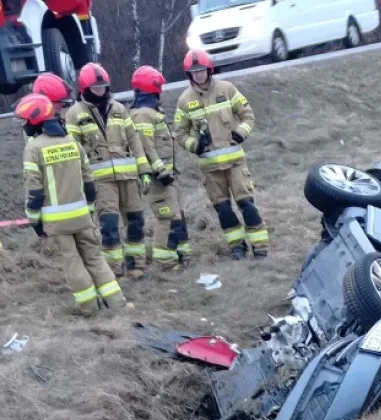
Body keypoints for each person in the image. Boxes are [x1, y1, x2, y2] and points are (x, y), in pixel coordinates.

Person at [17, 92, 127, 315]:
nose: (24, 125)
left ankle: (89, 307)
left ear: (34, 120)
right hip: (82, 216)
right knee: (95, 257)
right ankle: (117, 303)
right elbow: (89, 181)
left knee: (72, 262)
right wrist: (88, 209)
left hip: (56, 222)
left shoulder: (34, 148)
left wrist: (34, 221)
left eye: (25, 121)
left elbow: (35, 191)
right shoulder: (72, 142)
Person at [174, 49, 270, 260]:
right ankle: (237, 246)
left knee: (247, 205)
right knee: (223, 210)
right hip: (210, 169)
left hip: (236, 163)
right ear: (189, 74)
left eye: (201, 70)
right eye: (194, 71)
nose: (198, 74)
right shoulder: (184, 100)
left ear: (208, 70)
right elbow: (179, 133)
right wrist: (195, 145)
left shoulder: (227, 89)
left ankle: (260, 246)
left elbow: (248, 115)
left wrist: (240, 133)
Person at [65, 63, 152, 279]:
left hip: (129, 177)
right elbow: (74, 149)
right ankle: (114, 271)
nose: (100, 90)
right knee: (109, 226)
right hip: (100, 182)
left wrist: (144, 170)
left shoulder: (119, 109)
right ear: (85, 88)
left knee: (136, 221)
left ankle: (135, 266)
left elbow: (134, 140)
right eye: (95, 87)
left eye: (103, 86)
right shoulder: (75, 113)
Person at [129, 65, 191, 272]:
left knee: (177, 215)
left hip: (167, 177)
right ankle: (166, 263)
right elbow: (145, 146)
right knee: (166, 217)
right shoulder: (143, 115)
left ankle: (180, 255)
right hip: (158, 179)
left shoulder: (152, 112)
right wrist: (160, 170)